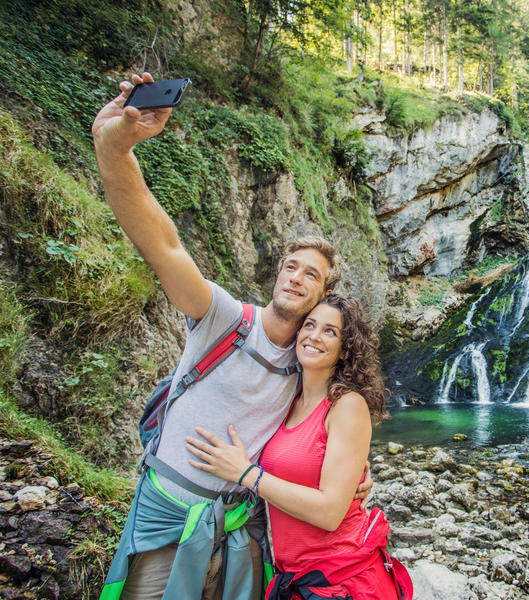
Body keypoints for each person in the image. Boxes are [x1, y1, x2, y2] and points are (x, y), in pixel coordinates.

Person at [92, 73, 370, 600]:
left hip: (242, 527)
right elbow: (163, 245)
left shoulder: (308, 364)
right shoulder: (223, 317)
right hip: (167, 514)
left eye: (311, 275)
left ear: (325, 293)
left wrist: (358, 469)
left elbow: (325, 430)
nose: (296, 278)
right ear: (277, 273)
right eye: (291, 266)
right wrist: (115, 150)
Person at [185, 294, 412, 600]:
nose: (315, 336)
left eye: (330, 331)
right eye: (310, 325)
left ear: (345, 347)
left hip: (341, 579)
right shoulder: (288, 401)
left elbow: (330, 512)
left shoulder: (347, 405)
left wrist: (247, 475)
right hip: (295, 576)